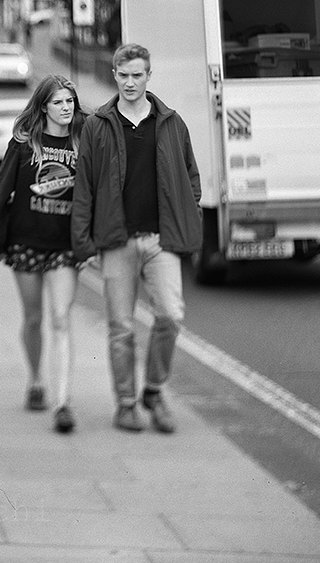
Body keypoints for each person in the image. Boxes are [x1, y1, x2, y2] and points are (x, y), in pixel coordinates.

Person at [71, 43, 202, 434]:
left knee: (170, 315)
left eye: (137, 75)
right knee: (121, 327)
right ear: (114, 74)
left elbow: (191, 179)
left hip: (161, 240)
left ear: (149, 75)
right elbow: (85, 188)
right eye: (123, 75)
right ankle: (126, 403)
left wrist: (184, 215)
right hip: (117, 241)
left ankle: (155, 391)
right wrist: (85, 244)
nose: (130, 82)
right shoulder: (97, 125)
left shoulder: (172, 122)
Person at [0, 75, 87, 433]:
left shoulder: (83, 140)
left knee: (61, 318)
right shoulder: (24, 143)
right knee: (32, 318)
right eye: (58, 102)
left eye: (70, 101)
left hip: (64, 246)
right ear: (44, 107)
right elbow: (2, 192)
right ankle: (36, 379)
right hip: (25, 242)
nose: (66, 108)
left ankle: (62, 402)